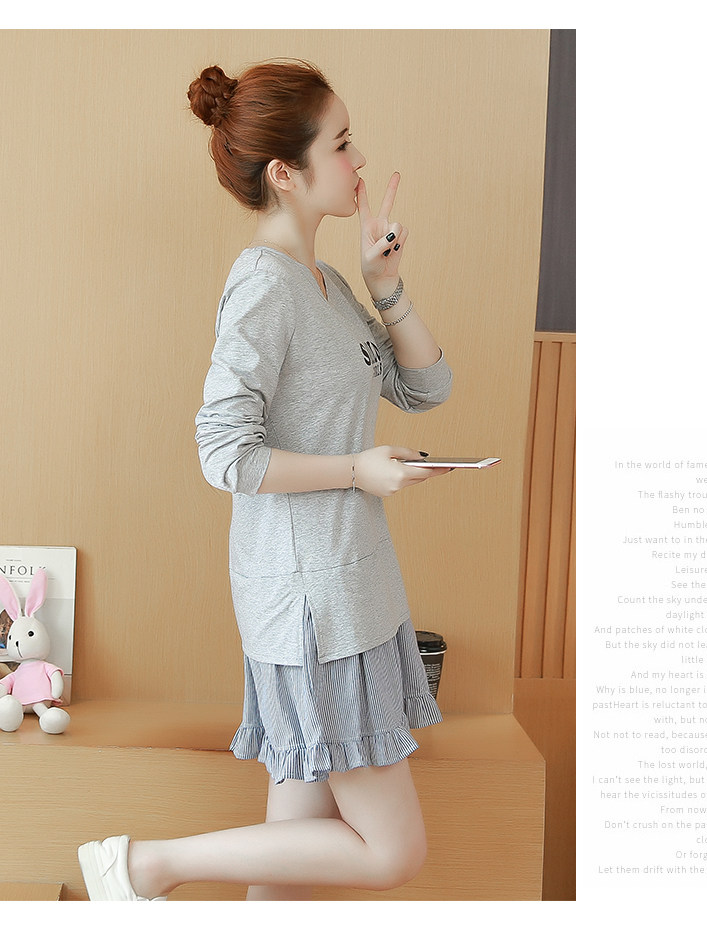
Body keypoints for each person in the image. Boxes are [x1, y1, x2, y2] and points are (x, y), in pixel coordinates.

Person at [78, 57, 453, 901]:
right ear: (286, 173)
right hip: (313, 604)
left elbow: (425, 388)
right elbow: (225, 454)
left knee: (288, 858)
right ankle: (143, 866)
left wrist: (386, 288)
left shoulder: (326, 284)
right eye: (342, 143)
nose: (359, 160)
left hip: (348, 589)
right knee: (391, 852)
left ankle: (146, 872)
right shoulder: (263, 286)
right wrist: (356, 470)